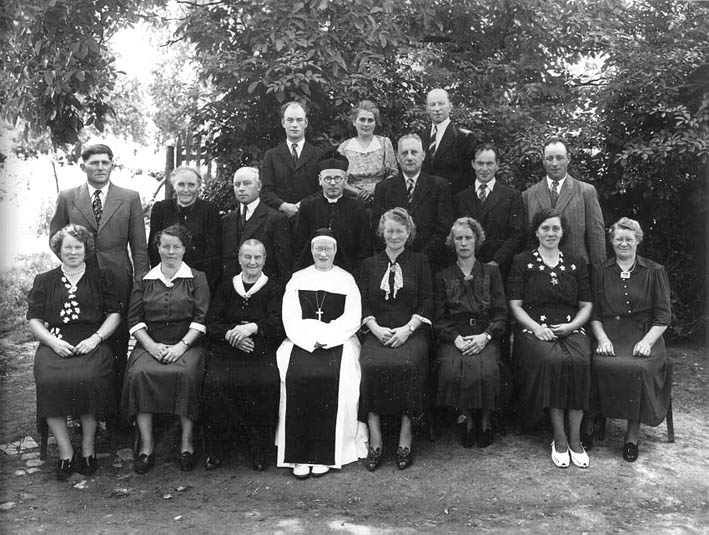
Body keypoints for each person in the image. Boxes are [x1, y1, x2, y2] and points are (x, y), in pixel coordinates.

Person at [50, 143, 149, 412]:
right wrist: (73, 266)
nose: (100, 167)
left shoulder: (129, 197)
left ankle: (116, 411)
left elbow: (139, 246)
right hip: (81, 281)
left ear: (112, 165)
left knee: (117, 343)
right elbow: (55, 239)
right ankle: (84, 408)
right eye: (94, 163)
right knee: (84, 339)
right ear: (83, 166)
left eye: (105, 162)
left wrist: (140, 283)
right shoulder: (68, 196)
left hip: (118, 280)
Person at [27, 224, 122, 479]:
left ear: (86, 249)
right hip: (55, 343)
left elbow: (114, 314)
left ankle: (88, 448)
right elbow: (34, 319)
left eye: (77, 247)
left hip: (91, 343)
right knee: (49, 379)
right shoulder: (45, 280)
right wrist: (52, 343)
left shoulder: (102, 277)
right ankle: (66, 452)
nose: (72, 252)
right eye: (67, 247)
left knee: (90, 378)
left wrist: (96, 338)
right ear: (58, 249)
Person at [275, 229, 365, 479]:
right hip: (301, 340)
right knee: (297, 376)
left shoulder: (347, 279)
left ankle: (327, 454)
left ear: (335, 251)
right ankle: (298, 456)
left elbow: (352, 317)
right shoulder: (297, 279)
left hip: (338, 340)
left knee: (336, 377)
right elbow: (289, 317)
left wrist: (327, 338)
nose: (323, 253)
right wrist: (308, 339)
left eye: (328, 249)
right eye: (319, 248)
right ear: (311, 250)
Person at [507, 208, 593, 469]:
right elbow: (515, 304)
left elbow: (586, 305)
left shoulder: (577, 262)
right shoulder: (522, 261)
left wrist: (572, 327)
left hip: (571, 327)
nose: (551, 233)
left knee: (580, 360)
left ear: (563, 232)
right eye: (545, 228)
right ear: (536, 231)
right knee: (552, 360)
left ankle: (576, 438)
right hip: (533, 329)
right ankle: (559, 438)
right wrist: (535, 328)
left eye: (555, 228)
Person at [122, 224, 209, 474]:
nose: (171, 251)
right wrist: (150, 345)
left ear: (184, 249)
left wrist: (181, 347)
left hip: (187, 343)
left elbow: (201, 319)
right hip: (151, 343)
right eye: (165, 246)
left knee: (187, 374)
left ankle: (186, 442)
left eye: (176, 247)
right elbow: (134, 320)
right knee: (139, 374)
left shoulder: (197, 277)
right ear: (157, 248)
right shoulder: (144, 279)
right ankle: (147, 445)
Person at [590, 217, 672, 462]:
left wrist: (647, 342)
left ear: (638, 240)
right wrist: (602, 338)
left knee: (637, 369)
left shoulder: (654, 271)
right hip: (610, 335)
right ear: (611, 242)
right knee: (595, 363)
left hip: (645, 335)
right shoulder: (602, 271)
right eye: (618, 239)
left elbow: (663, 316)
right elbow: (594, 314)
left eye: (629, 239)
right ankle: (591, 425)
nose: (623, 243)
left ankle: (631, 436)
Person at [357, 208, 433, 471]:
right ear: (382, 232)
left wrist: (407, 329)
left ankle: (405, 433)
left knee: (409, 366)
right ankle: (375, 435)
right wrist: (375, 328)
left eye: (400, 231)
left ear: (408, 233)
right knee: (368, 366)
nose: (394, 236)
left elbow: (427, 301)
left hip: (410, 331)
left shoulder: (420, 261)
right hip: (377, 331)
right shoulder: (369, 264)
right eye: (389, 230)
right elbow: (363, 302)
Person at [203, 239, 285, 471]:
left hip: (259, 351)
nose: (252, 262)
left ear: (264, 260)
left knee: (265, 383)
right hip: (228, 352)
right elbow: (212, 322)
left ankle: (259, 449)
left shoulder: (274, 288)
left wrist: (251, 329)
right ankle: (218, 449)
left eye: (257, 257)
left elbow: (277, 323)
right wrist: (233, 335)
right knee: (214, 383)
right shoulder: (227, 286)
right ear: (239, 259)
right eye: (247, 257)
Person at [433, 218, 508, 448]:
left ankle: (485, 419)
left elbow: (501, 312)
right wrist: (455, 338)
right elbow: (439, 317)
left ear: (477, 241)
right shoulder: (443, 276)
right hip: (455, 335)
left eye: (468, 238)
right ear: (452, 242)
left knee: (488, 369)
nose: (464, 243)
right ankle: (465, 417)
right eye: (459, 238)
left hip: (485, 333)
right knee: (452, 368)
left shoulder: (491, 273)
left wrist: (485, 337)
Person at [373, 133, 454, 274]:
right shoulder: (383, 188)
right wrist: (396, 254)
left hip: (430, 262)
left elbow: (444, 227)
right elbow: (377, 227)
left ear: (422, 156)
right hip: (393, 260)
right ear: (398, 158)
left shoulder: (439, 185)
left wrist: (420, 258)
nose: (409, 157)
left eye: (414, 152)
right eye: (404, 153)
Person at [522, 138, 606, 267]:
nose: (554, 163)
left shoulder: (586, 192)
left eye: (559, 157)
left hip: (577, 272)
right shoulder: (528, 195)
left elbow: (596, 237)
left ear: (568, 159)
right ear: (543, 161)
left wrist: (599, 275)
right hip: (539, 272)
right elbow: (527, 239)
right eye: (549, 158)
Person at [455, 143, 525, 279]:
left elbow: (517, 235)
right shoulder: (460, 198)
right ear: (473, 164)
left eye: (489, 163)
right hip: (467, 270)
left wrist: (496, 262)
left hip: (501, 271)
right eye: (480, 163)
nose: (484, 169)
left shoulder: (512, 196)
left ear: (497, 165)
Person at [293, 153, 371, 273]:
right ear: (320, 180)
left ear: (345, 180)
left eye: (338, 178)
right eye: (328, 178)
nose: (333, 183)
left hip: (349, 271)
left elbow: (364, 248)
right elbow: (299, 245)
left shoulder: (357, 208)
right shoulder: (307, 207)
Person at [148, 166, 221, 290]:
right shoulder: (161, 208)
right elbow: (153, 247)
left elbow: (213, 252)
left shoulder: (209, 210)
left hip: (198, 280)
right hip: (166, 280)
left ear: (198, 187)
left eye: (191, 185)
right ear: (174, 186)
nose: (186, 190)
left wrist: (201, 283)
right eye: (181, 184)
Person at [221, 167, 292, 283]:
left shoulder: (276, 219)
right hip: (232, 290)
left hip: (265, 291)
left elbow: (284, 265)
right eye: (237, 185)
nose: (241, 189)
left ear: (259, 186)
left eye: (247, 184)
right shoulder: (226, 220)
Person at [260, 101, 325, 219]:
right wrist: (284, 206)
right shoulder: (271, 156)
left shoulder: (318, 155)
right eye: (290, 120)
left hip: (310, 217)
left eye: (299, 120)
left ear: (305, 123)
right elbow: (266, 191)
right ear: (283, 122)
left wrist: (302, 206)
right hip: (279, 219)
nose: (294, 125)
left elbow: (322, 189)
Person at [336, 100, 398, 205]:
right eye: (362, 120)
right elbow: (338, 179)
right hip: (352, 202)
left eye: (370, 120)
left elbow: (394, 174)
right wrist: (358, 193)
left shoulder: (384, 143)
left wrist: (376, 190)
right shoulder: (344, 148)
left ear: (375, 123)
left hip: (381, 200)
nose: (366, 124)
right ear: (354, 122)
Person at [420, 89, 476, 195]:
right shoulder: (421, 137)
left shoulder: (465, 137)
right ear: (427, 109)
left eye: (441, 104)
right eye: (432, 104)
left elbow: (469, 178)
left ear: (450, 106)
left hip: (453, 202)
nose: (437, 109)